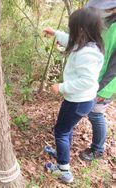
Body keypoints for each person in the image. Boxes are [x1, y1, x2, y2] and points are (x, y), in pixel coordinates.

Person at [43, 7, 104, 183]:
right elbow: (69, 40)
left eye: (72, 28)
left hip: (78, 101)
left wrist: (62, 86)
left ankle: (64, 171)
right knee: (65, 129)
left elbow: (87, 81)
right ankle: (63, 152)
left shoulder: (87, 53)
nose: (70, 32)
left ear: (81, 30)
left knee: (61, 131)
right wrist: (54, 33)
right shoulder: (89, 44)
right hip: (79, 100)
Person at [80, 0, 116, 161]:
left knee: (96, 115)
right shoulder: (106, 22)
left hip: (103, 85)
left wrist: (101, 90)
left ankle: (97, 149)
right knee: (84, 107)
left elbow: (114, 69)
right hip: (92, 77)